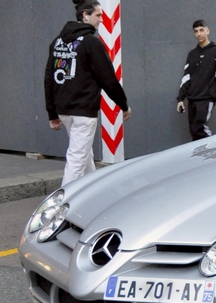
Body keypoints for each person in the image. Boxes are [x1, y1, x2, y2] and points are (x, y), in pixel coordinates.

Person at [45, 0, 131, 186]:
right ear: (85, 15)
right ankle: (64, 205)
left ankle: (93, 192)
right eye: (98, 15)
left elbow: (49, 78)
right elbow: (107, 79)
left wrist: (52, 112)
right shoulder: (92, 43)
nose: (101, 19)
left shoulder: (57, 42)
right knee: (77, 159)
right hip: (83, 111)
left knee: (84, 155)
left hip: (64, 110)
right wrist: (123, 104)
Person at [177, 19, 216, 141]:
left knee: (200, 129)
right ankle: (200, 158)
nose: (199, 34)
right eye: (196, 31)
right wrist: (180, 99)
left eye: (201, 30)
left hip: (206, 98)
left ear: (207, 31)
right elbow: (186, 77)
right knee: (194, 132)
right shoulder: (192, 54)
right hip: (192, 98)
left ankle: (211, 152)